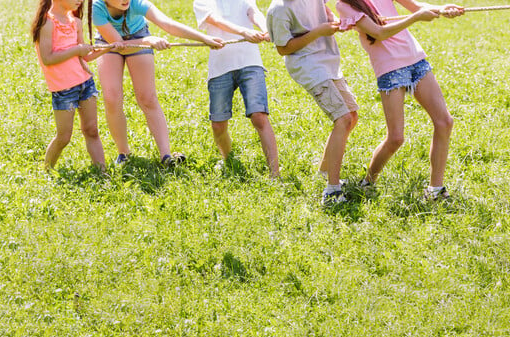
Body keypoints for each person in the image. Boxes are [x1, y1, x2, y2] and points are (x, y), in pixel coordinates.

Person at [335, 0, 464, 200]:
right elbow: (379, 33)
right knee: (396, 138)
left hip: (416, 60)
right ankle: (368, 182)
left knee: (445, 122)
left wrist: (442, 9)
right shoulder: (345, 5)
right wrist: (415, 18)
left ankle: (435, 190)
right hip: (390, 68)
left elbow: (415, 6)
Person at [92, 0, 225, 166]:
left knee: (147, 97)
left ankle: (166, 155)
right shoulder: (97, 8)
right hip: (109, 43)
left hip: (138, 34)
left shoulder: (137, 3)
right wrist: (149, 41)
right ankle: (123, 153)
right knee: (112, 98)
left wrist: (204, 38)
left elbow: (168, 24)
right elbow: (121, 46)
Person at [267, 0, 359, 206]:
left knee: (352, 116)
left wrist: (335, 22)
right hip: (307, 65)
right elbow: (283, 48)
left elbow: (324, 10)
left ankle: (324, 172)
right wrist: (318, 32)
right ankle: (332, 191)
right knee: (342, 118)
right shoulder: (279, 9)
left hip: (328, 61)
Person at [193, 0, 280, 178]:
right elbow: (214, 19)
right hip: (219, 66)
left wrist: (265, 28)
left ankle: (275, 174)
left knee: (259, 116)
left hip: (249, 61)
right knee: (218, 125)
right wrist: (244, 32)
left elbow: (252, 11)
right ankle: (229, 160)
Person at [32, 0, 112, 171]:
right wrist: (77, 50)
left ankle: (102, 173)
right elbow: (48, 58)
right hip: (64, 90)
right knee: (64, 137)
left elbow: (85, 57)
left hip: (85, 84)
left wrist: (107, 48)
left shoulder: (75, 22)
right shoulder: (47, 23)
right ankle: (47, 170)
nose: (80, 1)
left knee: (92, 130)